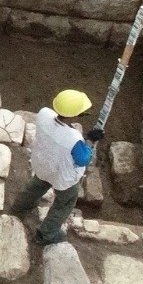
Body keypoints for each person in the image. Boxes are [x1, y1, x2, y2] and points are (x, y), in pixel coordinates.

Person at [10, 89, 101, 246]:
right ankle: (46, 234)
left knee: (35, 187)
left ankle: (19, 208)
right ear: (73, 116)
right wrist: (90, 142)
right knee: (64, 204)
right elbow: (83, 159)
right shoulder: (74, 139)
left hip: (43, 165)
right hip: (63, 176)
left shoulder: (44, 114)